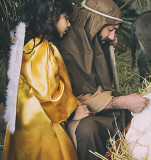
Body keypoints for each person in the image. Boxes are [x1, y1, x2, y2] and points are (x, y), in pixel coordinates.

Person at [58, 0, 149, 159]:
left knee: (124, 111)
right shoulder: (69, 44)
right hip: (72, 110)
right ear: (96, 22)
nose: (113, 36)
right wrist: (122, 101)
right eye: (111, 29)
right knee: (88, 130)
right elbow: (80, 95)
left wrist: (106, 41)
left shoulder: (89, 30)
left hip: (94, 98)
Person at [2, 0, 90, 159]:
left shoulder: (27, 45)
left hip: (25, 120)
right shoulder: (42, 49)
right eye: (66, 18)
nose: (68, 24)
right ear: (50, 17)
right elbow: (48, 91)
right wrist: (72, 111)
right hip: (42, 123)